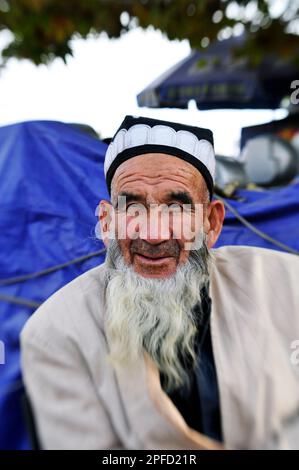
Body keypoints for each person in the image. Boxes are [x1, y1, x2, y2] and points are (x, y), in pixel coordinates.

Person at [20, 115, 299, 450]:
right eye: (132, 207)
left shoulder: (284, 284)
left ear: (211, 223)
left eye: (177, 208)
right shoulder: (56, 332)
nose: (153, 235)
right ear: (107, 222)